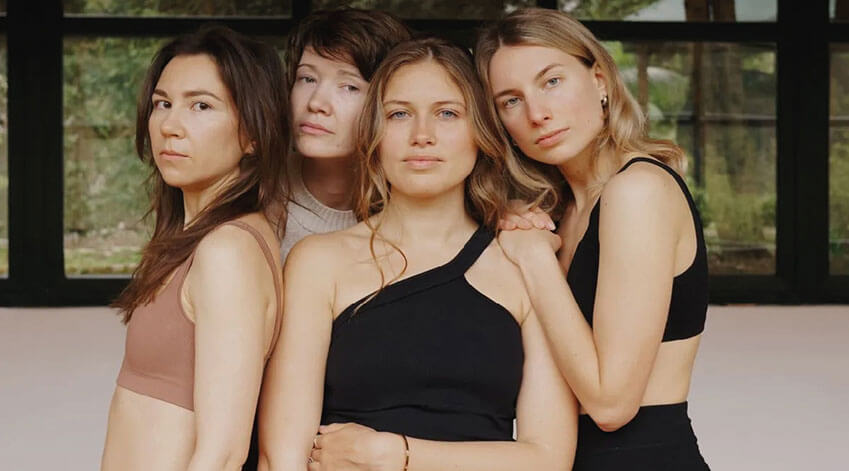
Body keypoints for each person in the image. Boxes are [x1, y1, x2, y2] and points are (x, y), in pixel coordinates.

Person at [257, 37, 577, 471]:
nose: (422, 136)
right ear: (374, 134)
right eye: (399, 114)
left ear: (481, 133)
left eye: (447, 114)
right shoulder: (319, 262)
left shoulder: (524, 261)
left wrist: (396, 454)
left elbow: (549, 459)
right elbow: (281, 457)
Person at [475, 8, 711, 469]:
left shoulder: (637, 191)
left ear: (600, 80)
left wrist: (534, 259)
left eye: (552, 81)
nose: (537, 114)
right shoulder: (557, 212)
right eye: (511, 101)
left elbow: (610, 404)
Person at [101, 26, 288, 471]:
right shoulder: (197, 239)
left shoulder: (228, 251)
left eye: (201, 105)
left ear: (253, 134)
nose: (169, 126)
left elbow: (222, 453)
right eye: (163, 103)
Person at [278, 8, 412, 262]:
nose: (316, 103)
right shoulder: (256, 193)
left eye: (349, 87)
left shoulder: (413, 209)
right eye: (307, 78)